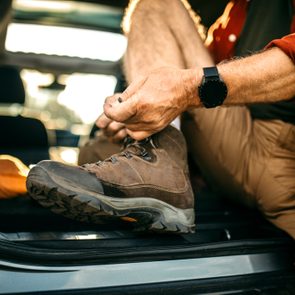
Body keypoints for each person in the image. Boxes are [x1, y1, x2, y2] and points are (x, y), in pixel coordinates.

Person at [27, 0, 295, 237]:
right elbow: (190, 78)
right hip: (233, 153)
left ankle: (162, 170)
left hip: (278, 147)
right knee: (94, 152)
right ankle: (169, 172)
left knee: (157, 4)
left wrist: (187, 88)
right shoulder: (235, 14)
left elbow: (199, 83)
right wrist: (142, 104)